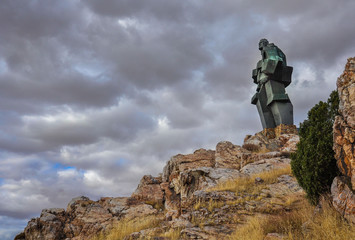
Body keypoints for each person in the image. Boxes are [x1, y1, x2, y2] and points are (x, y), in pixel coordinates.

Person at [251, 39, 293, 129]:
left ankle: (284, 127)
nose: (261, 46)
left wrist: (267, 73)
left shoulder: (271, 48)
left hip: (272, 79)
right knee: (261, 101)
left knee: (276, 98)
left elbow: (277, 60)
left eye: (261, 44)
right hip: (263, 82)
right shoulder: (263, 56)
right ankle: (269, 129)